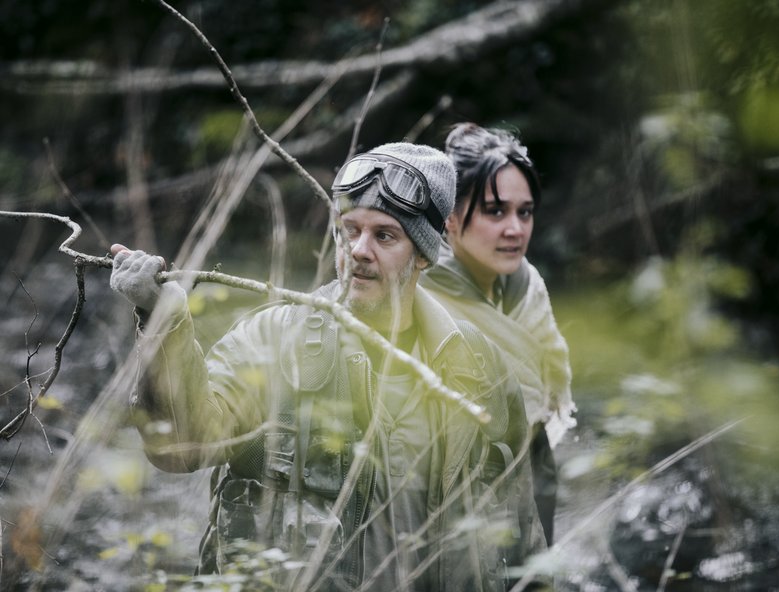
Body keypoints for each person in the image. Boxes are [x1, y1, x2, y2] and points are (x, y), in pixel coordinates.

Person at [110, 142, 546, 591]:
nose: (359, 250)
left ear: (423, 254)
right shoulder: (275, 340)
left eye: (384, 236)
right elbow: (181, 446)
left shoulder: (479, 368)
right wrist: (165, 323)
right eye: (349, 230)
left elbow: (524, 536)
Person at [420, 123, 576, 545]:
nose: (515, 229)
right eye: (495, 211)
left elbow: (545, 399)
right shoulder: (419, 295)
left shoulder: (527, 286)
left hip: (533, 460)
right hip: (451, 486)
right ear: (451, 217)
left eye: (524, 212)